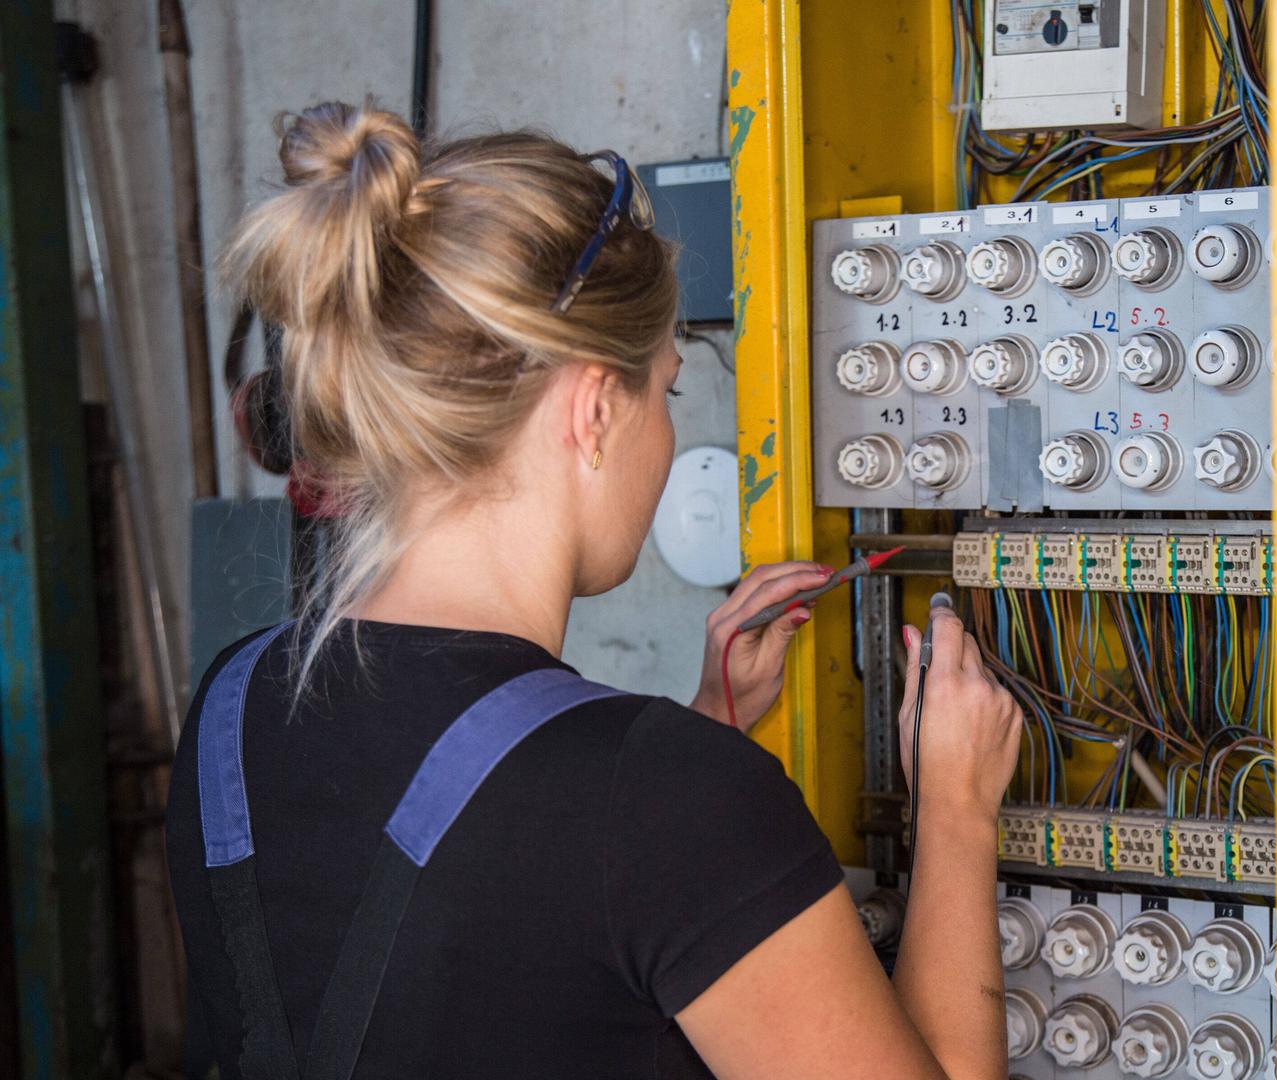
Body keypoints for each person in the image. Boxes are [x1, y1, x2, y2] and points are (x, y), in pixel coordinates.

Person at [166, 101, 1023, 1080]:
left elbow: (482, 950)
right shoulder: (667, 800)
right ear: (590, 411)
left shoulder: (233, 706)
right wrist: (958, 810)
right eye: (667, 389)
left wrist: (705, 726)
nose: (665, 437)